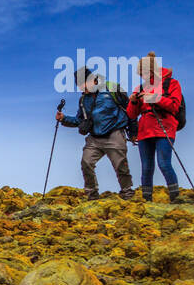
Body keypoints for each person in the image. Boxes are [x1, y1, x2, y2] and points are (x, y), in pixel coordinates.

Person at [56, 66, 135, 200]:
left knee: (121, 165)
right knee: (86, 163)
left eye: (83, 84)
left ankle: (127, 193)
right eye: (79, 85)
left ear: (92, 80)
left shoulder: (113, 89)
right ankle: (92, 195)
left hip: (114, 134)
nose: (82, 88)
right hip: (94, 138)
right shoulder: (83, 100)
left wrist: (134, 132)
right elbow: (80, 120)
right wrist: (64, 119)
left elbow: (131, 111)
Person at [126, 51, 184, 203]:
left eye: (143, 73)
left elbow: (174, 106)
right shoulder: (140, 88)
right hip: (145, 131)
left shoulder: (171, 83)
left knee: (164, 164)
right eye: (140, 73)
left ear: (151, 70)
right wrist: (133, 101)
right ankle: (147, 200)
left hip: (164, 127)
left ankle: (175, 197)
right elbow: (131, 115)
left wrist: (151, 97)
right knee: (146, 167)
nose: (142, 76)